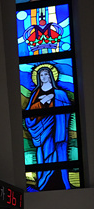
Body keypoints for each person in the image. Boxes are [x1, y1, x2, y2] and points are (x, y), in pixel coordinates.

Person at [24, 63, 72, 191]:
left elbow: (67, 108)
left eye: (46, 74)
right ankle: (43, 183)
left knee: (56, 154)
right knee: (43, 155)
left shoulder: (60, 93)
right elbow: (29, 114)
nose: (44, 77)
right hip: (41, 130)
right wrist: (42, 102)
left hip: (56, 129)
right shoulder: (35, 94)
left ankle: (60, 182)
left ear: (51, 76)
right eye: (41, 75)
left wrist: (53, 97)